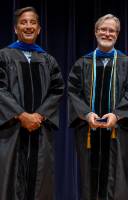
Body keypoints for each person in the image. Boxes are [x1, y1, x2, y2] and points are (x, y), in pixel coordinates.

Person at [68, 14, 128, 200]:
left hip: (116, 133)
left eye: (112, 30)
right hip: (88, 131)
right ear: (96, 32)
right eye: (103, 29)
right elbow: (73, 92)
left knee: (116, 180)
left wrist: (117, 115)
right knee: (89, 179)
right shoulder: (82, 63)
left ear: (117, 35)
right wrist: (86, 114)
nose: (107, 33)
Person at [0, 7, 65, 200]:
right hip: (11, 131)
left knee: (40, 182)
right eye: (23, 22)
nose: (28, 26)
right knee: (9, 180)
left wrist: (40, 115)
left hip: (40, 129)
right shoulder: (4, 56)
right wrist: (21, 115)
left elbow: (57, 89)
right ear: (15, 28)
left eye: (32, 23)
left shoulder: (48, 60)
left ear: (39, 29)